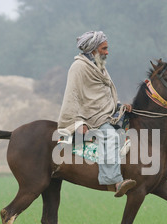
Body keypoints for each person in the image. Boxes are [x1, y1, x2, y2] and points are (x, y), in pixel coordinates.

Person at [57, 31, 136, 197]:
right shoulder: (78, 67)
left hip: (108, 114)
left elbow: (103, 95)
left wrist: (120, 106)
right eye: (104, 48)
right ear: (93, 49)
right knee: (112, 137)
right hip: (94, 118)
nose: (107, 52)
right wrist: (79, 123)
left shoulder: (98, 65)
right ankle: (114, 180)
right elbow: (72, 97)